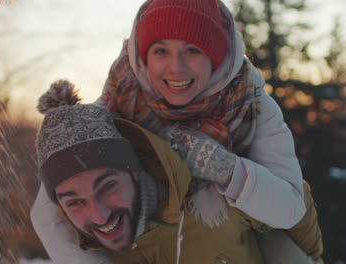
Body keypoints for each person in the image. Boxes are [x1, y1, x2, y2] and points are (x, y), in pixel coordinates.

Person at [31, 0, 323, 263]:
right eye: (160, 50)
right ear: (143, 57)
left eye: (192, 50)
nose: (176, 68)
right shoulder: (115, 106)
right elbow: (47, 215)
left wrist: (228, 171)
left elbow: (291, 210)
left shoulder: (251, 106)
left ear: (217, 55)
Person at [34, 82, 272, 263]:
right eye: (75, 202)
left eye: (108, 186)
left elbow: (294, 204)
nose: (99, 216)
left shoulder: (211, 201)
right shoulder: (78, 244)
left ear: (133, 171)